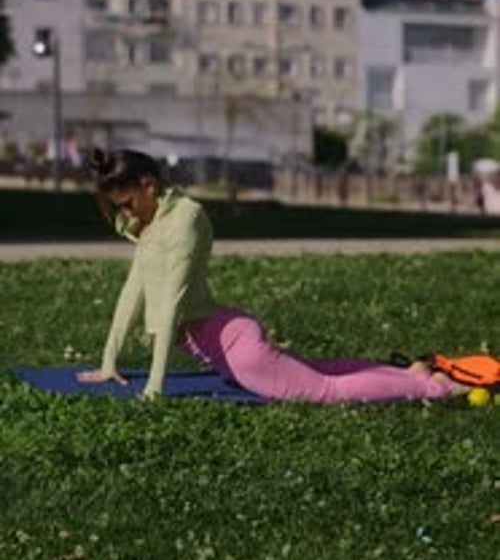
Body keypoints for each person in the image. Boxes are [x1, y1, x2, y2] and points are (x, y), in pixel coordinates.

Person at [78, 149, 467, 402]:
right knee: (312, 371)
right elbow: (134, 289)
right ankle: (406, 373)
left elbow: (172, 305)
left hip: (233, 345)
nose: (126, 214)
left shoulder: (185, 219)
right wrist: (109, 361)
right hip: (220, 338)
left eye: (128, 203)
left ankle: (431, 386)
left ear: (148, 185)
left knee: (325, 392)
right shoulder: (149, 222)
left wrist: (155, 388)